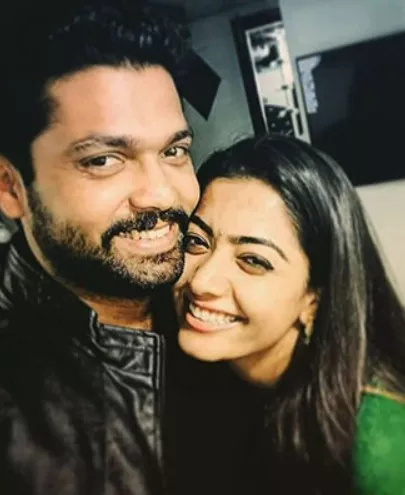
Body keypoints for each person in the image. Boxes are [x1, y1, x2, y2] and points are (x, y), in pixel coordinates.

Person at [0, 1, 199, 494]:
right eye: (105, 160)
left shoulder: (218, 304)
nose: (161, 194)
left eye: (174, 151)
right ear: (9, 187)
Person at [175, 134, 405, 494]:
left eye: (253, 261)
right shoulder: (210, 380)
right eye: (196, 242)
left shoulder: (380, 446)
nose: (202, 280)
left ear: (315, 299)